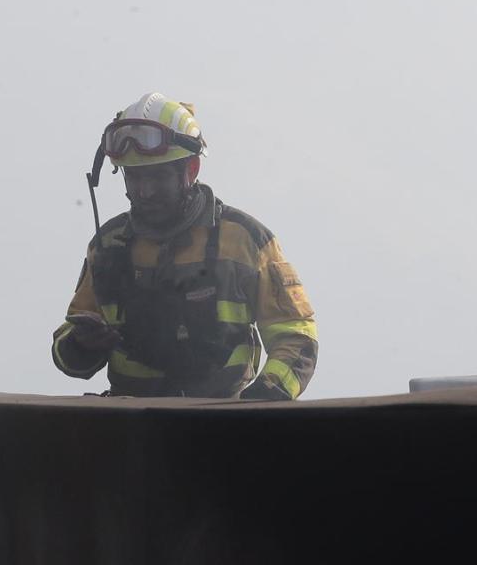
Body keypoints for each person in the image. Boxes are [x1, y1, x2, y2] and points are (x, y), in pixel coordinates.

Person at [51, 93, 319, 400]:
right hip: (128, 425)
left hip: (222, 421)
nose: (145, 191)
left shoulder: (244, 240)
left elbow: (296, 333)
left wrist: (267, 396)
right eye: (135, 177)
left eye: (158, 176)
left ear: (190, 170)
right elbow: (67, 350)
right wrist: (82, 344)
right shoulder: (107, 247)